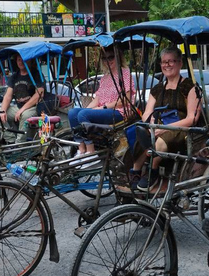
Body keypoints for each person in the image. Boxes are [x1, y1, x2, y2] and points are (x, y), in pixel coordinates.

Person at [130, 47, 200, 193]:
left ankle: (152, 171)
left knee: (160, 141)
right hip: (158, 124)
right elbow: (147, 112)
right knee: (138, 134)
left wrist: (166, 128)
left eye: (171, 61)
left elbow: (192, 118)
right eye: (164, 62)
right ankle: (135, 172)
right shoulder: (157, 88)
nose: (167, 65)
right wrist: (151, 124)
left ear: (180, 63)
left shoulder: (190, 87)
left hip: (181, 128)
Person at [67, 49, 135, 169]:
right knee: (73, 113)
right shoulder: (105, 77)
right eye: (104, 58)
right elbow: (97, 99)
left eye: (111, 57)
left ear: (118, 57)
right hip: (104, 110)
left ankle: (91, 152)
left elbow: (125, 100)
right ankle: (81, 150)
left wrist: (102, 108)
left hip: (120, 111)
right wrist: (85, 110)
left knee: (83, 114)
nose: (107, 61)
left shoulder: (125, 73)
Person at [0, 55, 43, 142]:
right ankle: (11, 140)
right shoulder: (15, 76)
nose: (21, 62)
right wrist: (3, 111)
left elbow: (39, 94)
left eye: (24, 60)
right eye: (19, 60)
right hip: (18, 108)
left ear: (29, 61)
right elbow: (8, 96)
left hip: (33, 107)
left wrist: (21, 110)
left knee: (25, 116)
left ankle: (19, 144)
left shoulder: (36, 74)